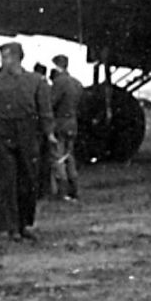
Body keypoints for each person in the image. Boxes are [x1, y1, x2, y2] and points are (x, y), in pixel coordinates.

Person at [0, 42, 51, 240]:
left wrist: (49, 133)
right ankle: (12, 227)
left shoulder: (35, 81)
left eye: (6, 56)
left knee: (29, 181)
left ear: (17, 58)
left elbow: (44, 109)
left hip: (28, 135)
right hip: (3, 136)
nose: (3, 61)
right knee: (7, 183)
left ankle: (25, 224)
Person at [47, 55, 83, 201]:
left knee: (58, 157)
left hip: (60, 123)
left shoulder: (59, 83)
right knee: (69, 156)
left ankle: (62, 191)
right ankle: (74, 189)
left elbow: (51, 103)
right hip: (72, 123)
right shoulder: (77, 83)